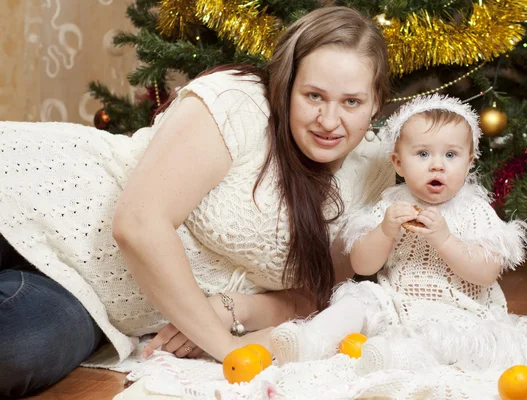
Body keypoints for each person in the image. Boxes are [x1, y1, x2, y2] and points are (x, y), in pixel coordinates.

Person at [0, 6, 395, 397]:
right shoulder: (239, 103)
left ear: (377, 101)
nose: (328, 120)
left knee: (21, 350)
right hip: (32, 201)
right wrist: (228, 350)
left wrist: (233, 308)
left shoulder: (374, 176)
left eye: (351, 102)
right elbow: (140, 224)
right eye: (313, 96)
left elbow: (313, 296)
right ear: (287, 86)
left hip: (88, 296)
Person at [269, 94, 527, 397]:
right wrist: (384, 231)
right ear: (398, 163)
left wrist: (444, 239)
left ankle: (391, 357)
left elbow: (486, 273)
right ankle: (311, 339)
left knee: (449, 342)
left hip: (456, 311)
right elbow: (363, 267)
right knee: (359, 298)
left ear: (470, 162)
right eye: (423, 154)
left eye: (451, 154)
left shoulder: (474, 210)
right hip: (395, 301)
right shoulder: (391, 205)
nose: (437, 165)